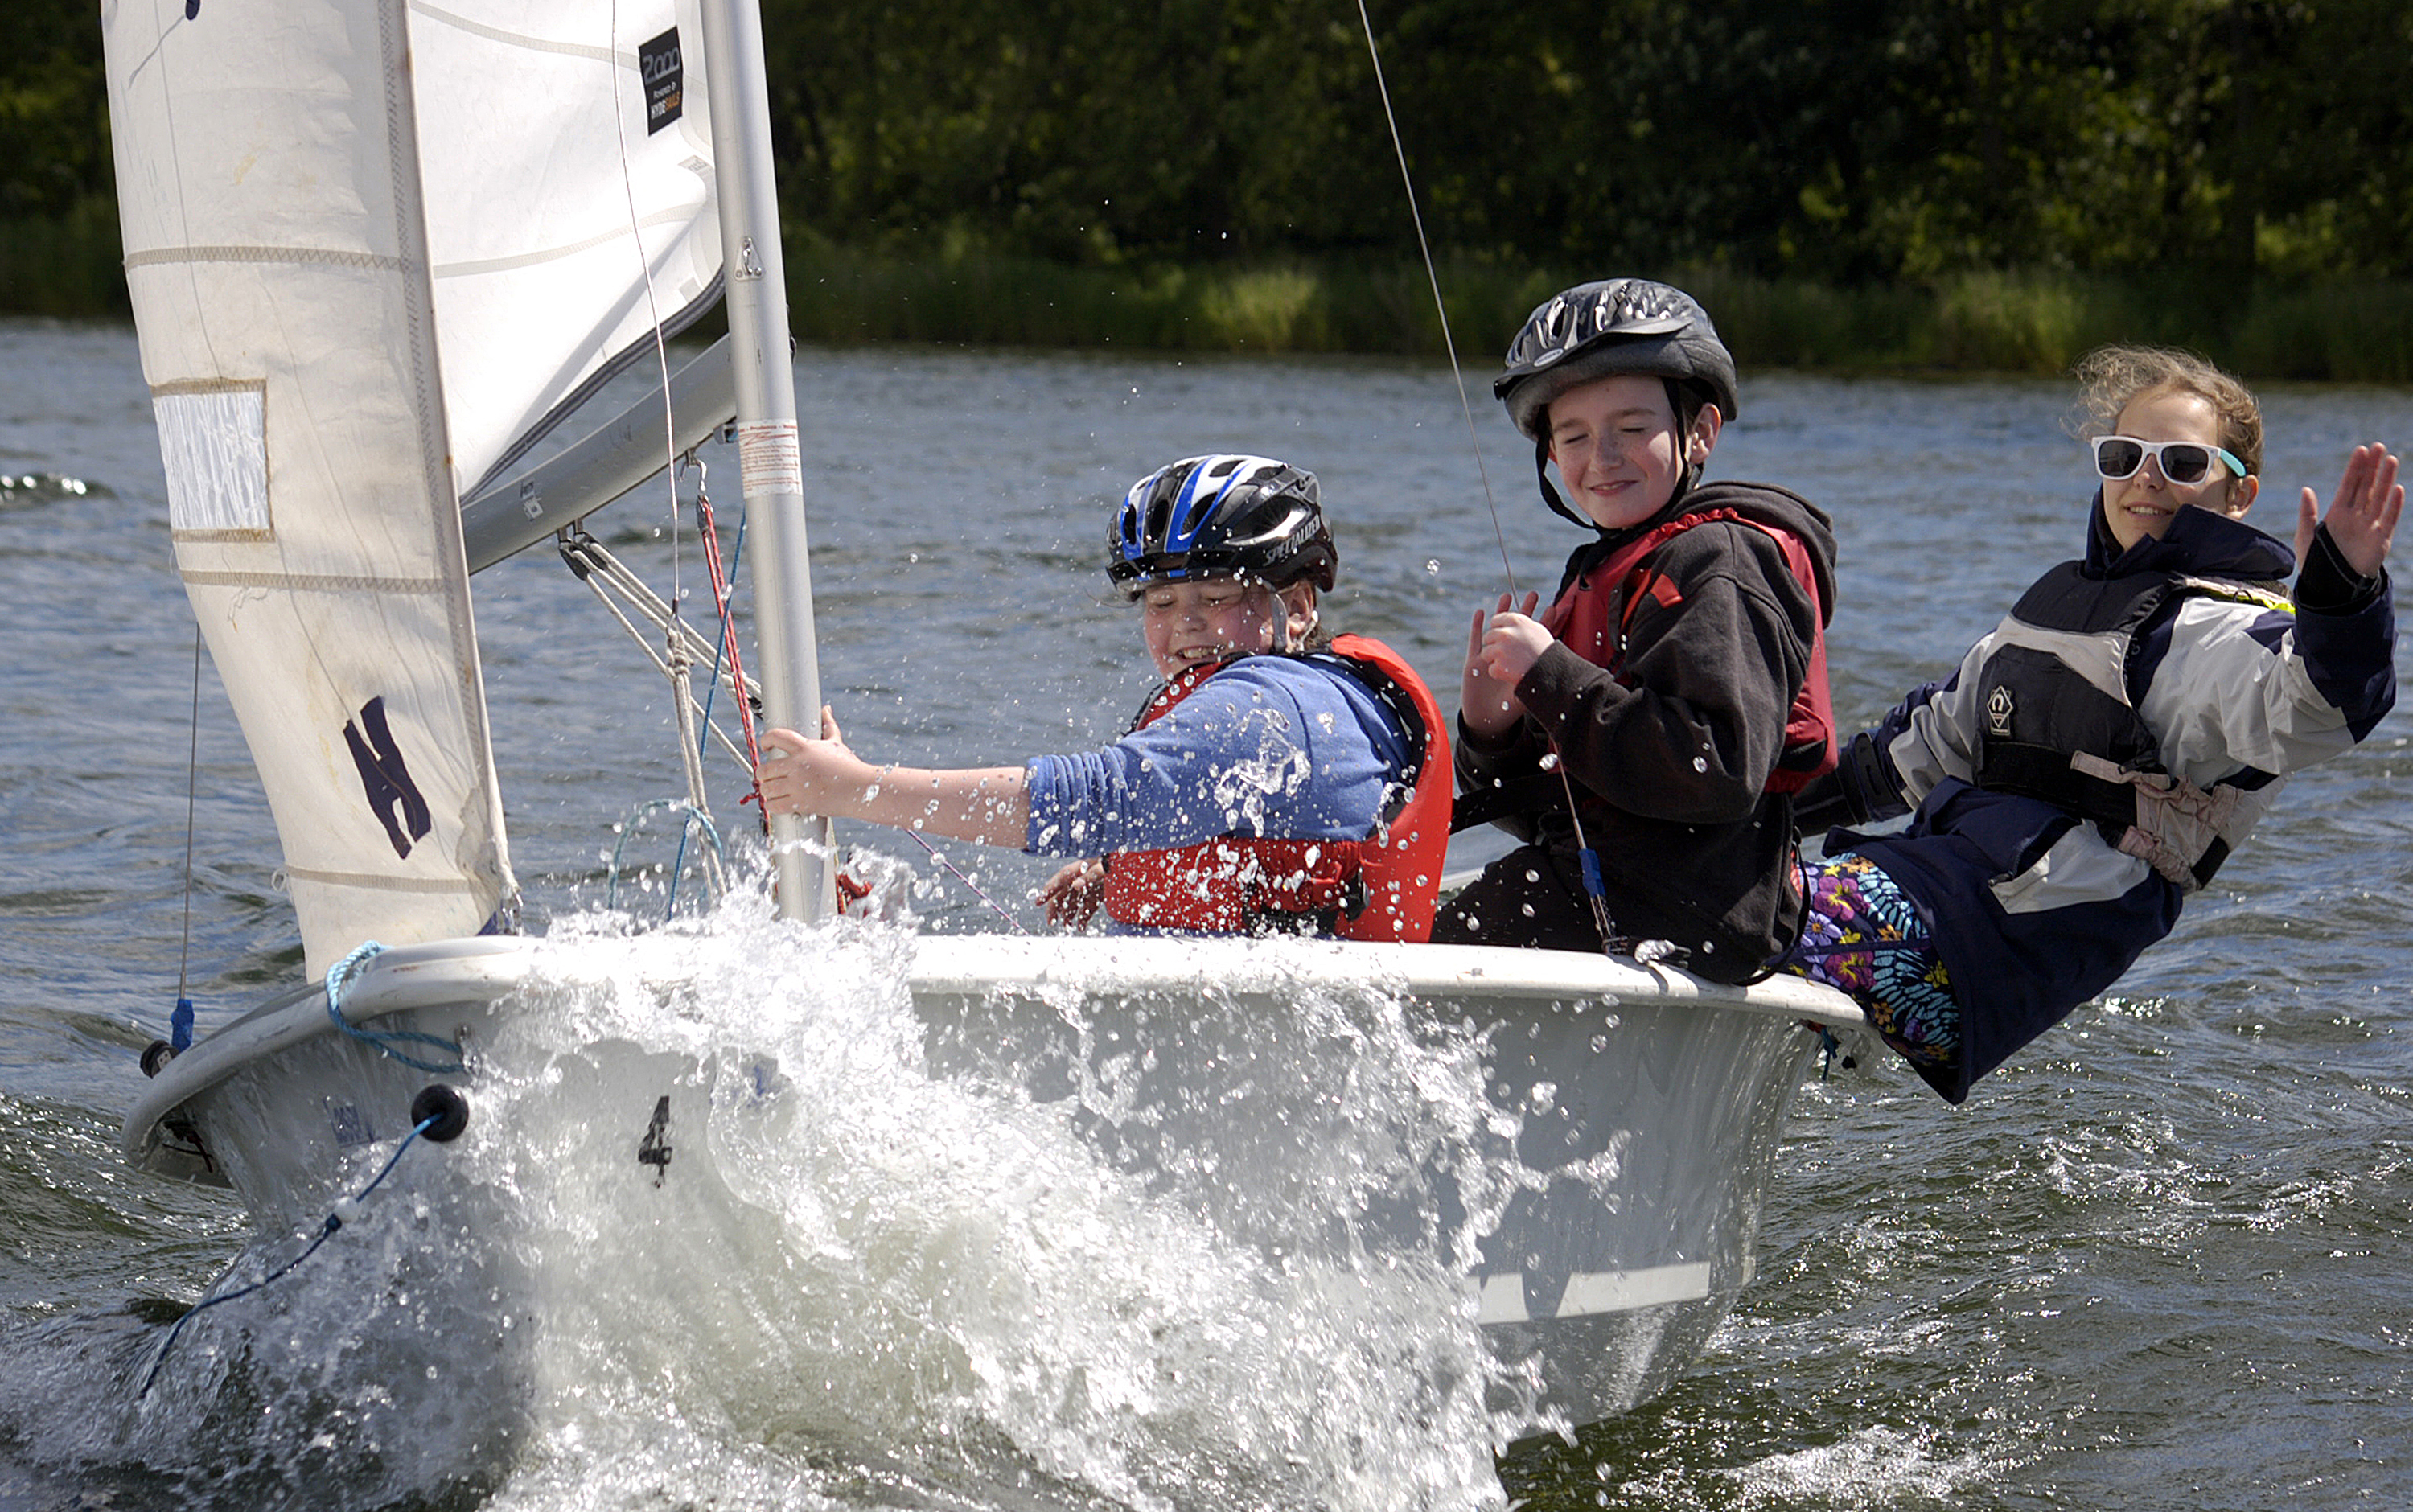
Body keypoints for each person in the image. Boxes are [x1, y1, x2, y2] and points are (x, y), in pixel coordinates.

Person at [1782, 345, 2401, 1102]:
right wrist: (1758, 813)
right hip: (1926, 888)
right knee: (1666, 887)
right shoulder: (2052, 604)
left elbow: (2315, 708)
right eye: (2124, 455)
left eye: (2180, 460)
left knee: (1728, 911)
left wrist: (2339, 599)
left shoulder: (2217, 634)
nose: (2146, 476)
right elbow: (1919, 746)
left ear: (2240, 494)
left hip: (1984, 950)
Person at [758, 454, 1452, 939]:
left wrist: (854, 788)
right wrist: (1115, 868)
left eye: (1215, 596)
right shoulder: (1312, 695)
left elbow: (1093, 797)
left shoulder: (1266, 709)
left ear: (1298, 607)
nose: (1184, 623)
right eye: (1161, 600)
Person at [1434, 277, 1840, 983]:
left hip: (1686, 920)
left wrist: (1553, 678)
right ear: (1552, 458)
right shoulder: (1606, 567)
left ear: (1701, 431)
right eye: (1575, 436)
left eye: (1631, 428)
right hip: (1600, 895)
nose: (1604, 457)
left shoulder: (1720, 562)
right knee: (1378, 914)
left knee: (1413, 954)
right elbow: (1555, 806)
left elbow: (1714, 768)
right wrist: (1492, 733)